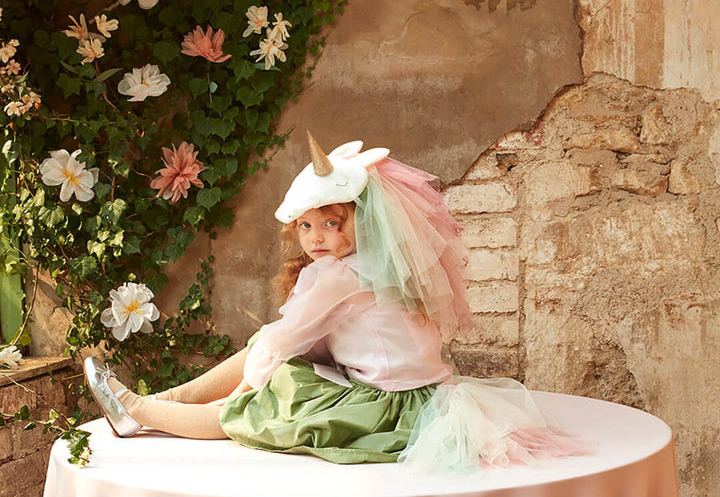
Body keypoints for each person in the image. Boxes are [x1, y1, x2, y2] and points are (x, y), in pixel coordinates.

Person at [85, 132, 583, 470]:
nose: (316, 237)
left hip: (391, 409)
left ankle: (139, 410)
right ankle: (162, 401)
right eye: (306, 225)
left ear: (360, 221)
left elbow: (280, 345)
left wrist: (251, 392)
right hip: (428, 395)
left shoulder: (339, 277)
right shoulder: (377, 263)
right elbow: (307, 341)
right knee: (273, 357)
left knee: (254, 407)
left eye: (331, 223)